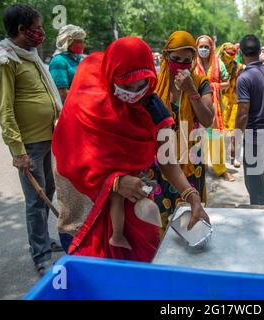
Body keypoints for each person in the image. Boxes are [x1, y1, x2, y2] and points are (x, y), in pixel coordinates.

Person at [52, 36, 210, 261]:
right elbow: (72, 153)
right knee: (90, 273)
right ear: (111, 76)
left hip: (128, 198)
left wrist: (193, 197)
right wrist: (114, 182)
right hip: (82, 197)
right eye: (126, 86)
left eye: (142, 84)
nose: (134, 92)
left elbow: (167, 161)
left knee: (136, 262)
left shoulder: (152, 107)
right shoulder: (87, 98)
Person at [0, 4, 63, 275]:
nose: (42, 32)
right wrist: (17, 151)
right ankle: (41, 254)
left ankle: (42, 240)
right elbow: (4, 109)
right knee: (35, 200)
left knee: (47, 192)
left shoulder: (28, 55)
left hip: (46, 138)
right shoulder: (3, 60)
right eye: (38, 28)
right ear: (22, 30)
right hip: (28, 144)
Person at [152, 31, 214, 225]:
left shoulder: (200, 83)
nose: (181, 64)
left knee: (189, 214)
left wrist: (191, 91)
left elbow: (208, 120)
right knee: (161, 216)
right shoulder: (154, 83)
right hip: (161, 159)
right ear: (166, 56)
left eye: (187, 60)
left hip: (191, 160)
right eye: (176, 58)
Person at [236, 35, 264, 206]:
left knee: (255, 186)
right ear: (259, 50)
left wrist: (236, 138)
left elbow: (242, 113)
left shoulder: (244, 78)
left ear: (241, 53)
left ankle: (263, 217)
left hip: (255, 137)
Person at [195, 35, 234, 182]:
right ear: (196, 48)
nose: (203, 49)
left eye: (206, 46)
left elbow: (227, 83)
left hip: (214, 106)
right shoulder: (192, 64)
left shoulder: (218, 64)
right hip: (196, 106)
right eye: (201, 46)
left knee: (215, 138)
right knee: (197, 137)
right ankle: (200, 166)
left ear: (211, 47)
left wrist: (212, 87)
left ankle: (221, 169)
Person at [218, 43, 245, 168]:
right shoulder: (216, 65)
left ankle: (234, 157)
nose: (230, 55)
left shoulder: (238, 67)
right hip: (220, 101)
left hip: (234, 102)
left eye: (233, 53)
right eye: (229, 53)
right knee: (219, 131)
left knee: (235, 132)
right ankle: (221, 158)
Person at [49, 24, 86, 103]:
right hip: (71, 108)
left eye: (83, 41)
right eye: (79, 42)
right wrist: (87, 100)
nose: (83, 45)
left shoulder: (79, 59)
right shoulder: (58, 61)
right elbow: (62, 94)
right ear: (67, 42)